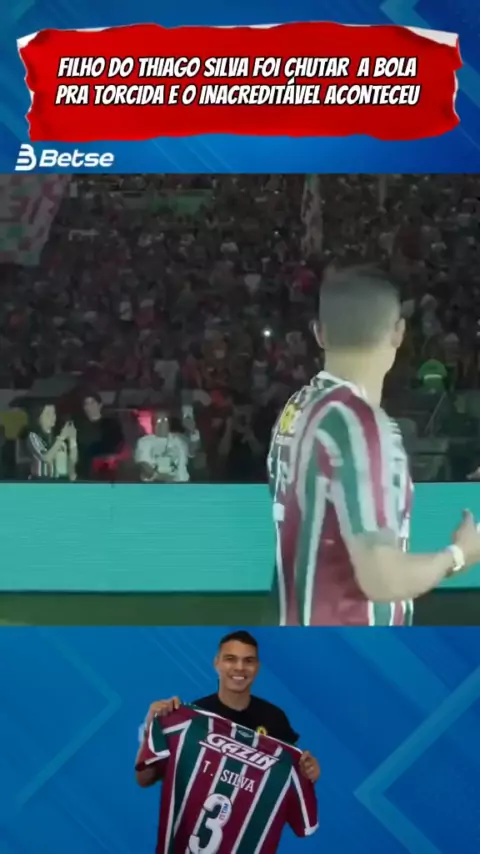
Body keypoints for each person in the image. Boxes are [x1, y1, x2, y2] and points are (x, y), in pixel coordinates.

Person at [267, 265, 480, 627]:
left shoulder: (297, 407)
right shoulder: (359, 424)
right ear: (399, 332)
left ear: (319, 333)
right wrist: (459, 554)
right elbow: (382, 579)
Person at [137, 630, 320, 788]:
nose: (240, 667)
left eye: (248, 661)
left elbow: (293, 781)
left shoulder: (275, 718)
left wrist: (309, 773)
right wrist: (151, 730)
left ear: (257, 667)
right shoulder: (192, 718)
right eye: (230, 659)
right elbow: (144, 779)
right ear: (217, 663)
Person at [134, 408, 200, 483]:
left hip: (181, 484)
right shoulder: (144, 442)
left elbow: (192, 451)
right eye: (158, 420)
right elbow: (145, 466)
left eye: (165, 420)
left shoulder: (179, 439)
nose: (162, 423)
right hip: (155, 485)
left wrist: (193, 431)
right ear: (153, 424)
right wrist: (160, 477)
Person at [75, 393, 124, 480]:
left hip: (108, 473)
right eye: (86, 403)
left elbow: (118, 447)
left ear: (100, 405)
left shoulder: (111, 424)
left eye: (92, 402)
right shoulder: (79, 427)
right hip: (85, 474)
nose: (89, 406)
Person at [26, 403, 77, 480]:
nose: (52, 417)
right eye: (48, 413)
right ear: (38, 418)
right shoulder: (33, 436)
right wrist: (62, 437)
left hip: (58, 481)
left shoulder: (57, 438)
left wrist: (73, 439)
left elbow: (72, 460)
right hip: (40, 481)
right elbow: (46, 458)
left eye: (53, 413)